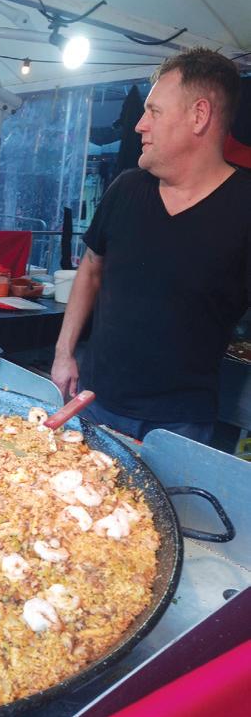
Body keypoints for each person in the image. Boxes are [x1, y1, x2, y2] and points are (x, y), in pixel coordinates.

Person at [51, 47, 251, 445]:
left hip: (180, 424)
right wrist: (63, 352)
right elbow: (90, 269)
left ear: (199, 115)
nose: (139, 125)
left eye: (154, 112)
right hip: (94, 399)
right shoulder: (126, 188)